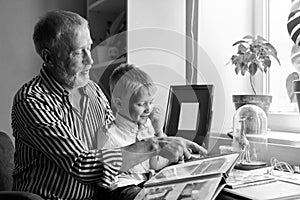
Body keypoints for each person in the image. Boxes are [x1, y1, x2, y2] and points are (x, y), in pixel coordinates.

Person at [11, 10, 207, 200]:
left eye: (90, 47)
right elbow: (83, 166)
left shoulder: (93, 91)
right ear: (48, 57)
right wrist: (155, 145)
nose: (91, 59)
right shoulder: (32, 101)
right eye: (79, 53)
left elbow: (118, 141)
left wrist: (167, 142)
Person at [97, 64, 169, 200]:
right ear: (119, 104)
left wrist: (159, 131)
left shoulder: (147, 126)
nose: (148, 109)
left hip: (144, 183)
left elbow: (155, 163)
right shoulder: (109, 135)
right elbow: (105, 178)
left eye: (151, 102)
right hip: (120, 188)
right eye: (141, 104)